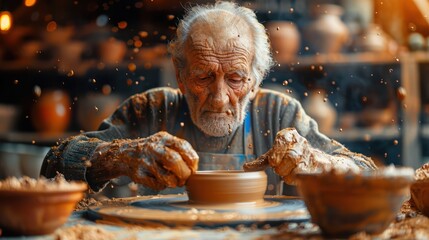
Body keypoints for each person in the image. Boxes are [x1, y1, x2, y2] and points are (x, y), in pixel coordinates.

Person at [40, 1, 376, 196]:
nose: (218, 98)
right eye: (203, 76)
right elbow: (53, 165)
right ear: (180, 74)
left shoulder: (280, 113)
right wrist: (121, 156)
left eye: (235, 79)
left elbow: (367, 175)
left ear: (256, 79)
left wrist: (321, 164)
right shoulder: (151, 110)